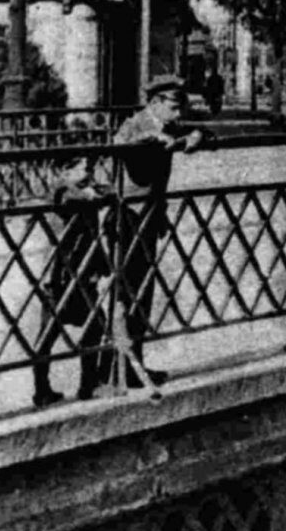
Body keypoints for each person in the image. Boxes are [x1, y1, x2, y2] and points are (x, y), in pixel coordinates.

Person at [92, 76, 207, 395]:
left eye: (181, 106)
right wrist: (155, 138)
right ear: (155, 102)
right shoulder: (136, 124)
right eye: (173, 106)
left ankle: (132, 365)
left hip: (149, 221)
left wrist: (194, 136)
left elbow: (204, 132)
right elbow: (123, 145)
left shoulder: (169, 125)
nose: (179, 113)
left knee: (142, 293)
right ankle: (111, 369)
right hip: (126, 221)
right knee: (122, 294)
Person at [31, 156, 113, 407]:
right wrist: (94, 194)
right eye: (79, 166)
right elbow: (71, 197)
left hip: (81, 275)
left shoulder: (84, 188)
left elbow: (103, 194)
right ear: (63, 170)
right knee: (47, 336)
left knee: (96, 326)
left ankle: (88, 383)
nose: (87, 170)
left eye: (89, 166)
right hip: (60, 278)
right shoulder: (62, 190)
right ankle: (42, 389)